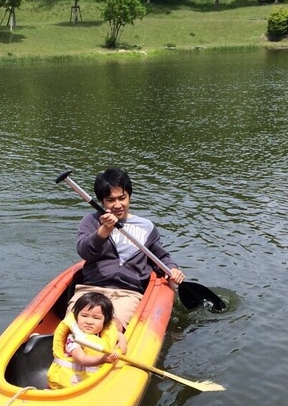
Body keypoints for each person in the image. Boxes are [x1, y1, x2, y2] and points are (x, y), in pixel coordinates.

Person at [68, 167, 185, 350]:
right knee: (75, 328)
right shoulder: (91, 221)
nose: (117, 205)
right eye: (110, 200)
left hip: (127, 293)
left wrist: (172, 268)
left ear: (129, 196)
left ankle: (102, 360)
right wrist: (103, 230)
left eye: (122, 198)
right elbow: (84, 252)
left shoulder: (146, 227)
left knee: (111, 328)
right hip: (91, 288)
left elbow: (159, 256)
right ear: (101, 201)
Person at [47, 291, 120, 390]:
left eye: (96, 318)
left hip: (95, 379)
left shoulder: (102, 333)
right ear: (77, 316)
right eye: (84, 316)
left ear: (105, 321)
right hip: (70, 385)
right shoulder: (73, 338)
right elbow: (81, 359)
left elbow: (121, 339)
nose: (89, 322)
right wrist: (102, 359)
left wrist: (119, 348)